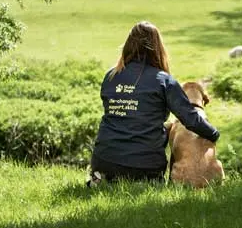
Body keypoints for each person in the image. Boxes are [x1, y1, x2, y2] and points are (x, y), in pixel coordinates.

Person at [87, 21, 220, 186]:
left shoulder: (110, 76)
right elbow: (191, 119)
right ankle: (143, 182)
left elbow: (124, 118)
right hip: (143, 170)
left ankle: (98, 181)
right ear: (158, 48)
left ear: (128, 45)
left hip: (102, 164)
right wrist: (214, 133)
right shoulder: (164, 81)